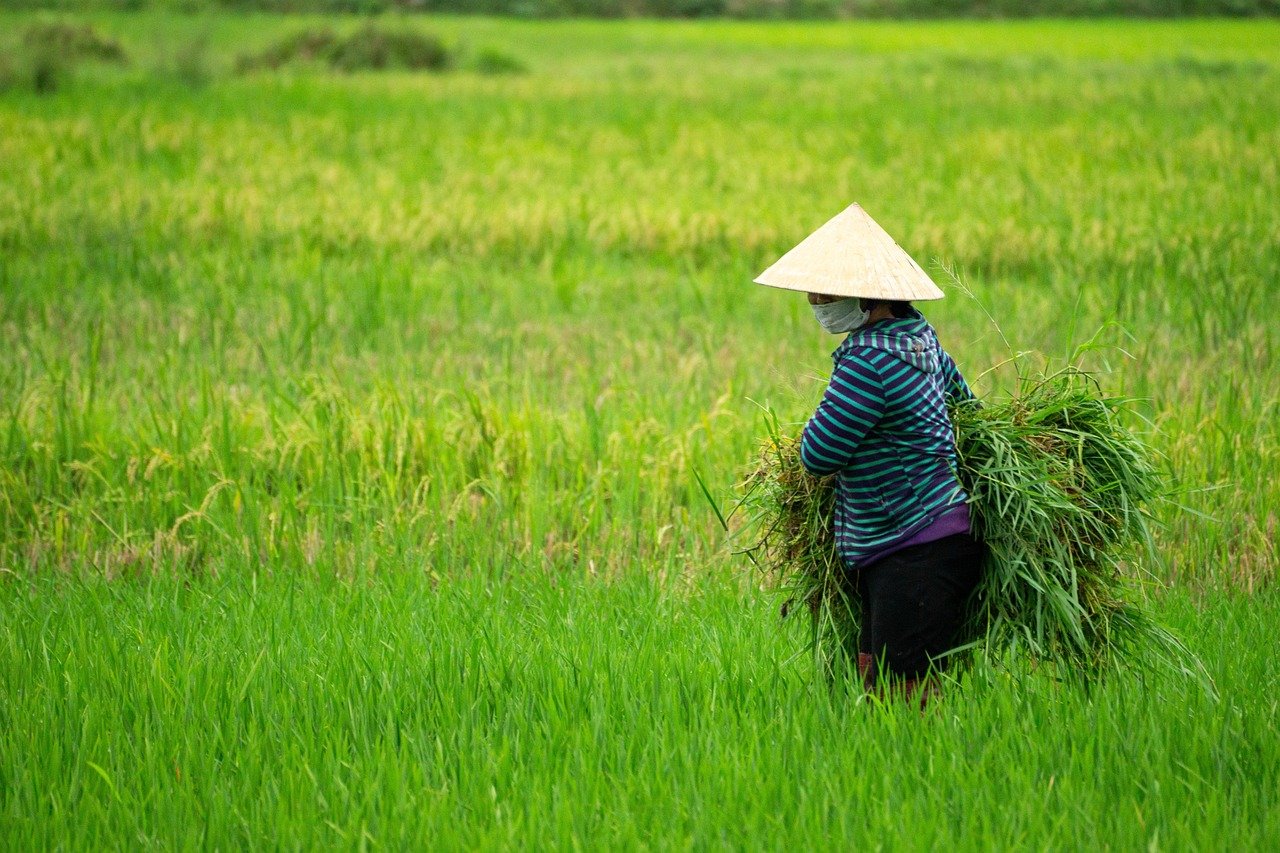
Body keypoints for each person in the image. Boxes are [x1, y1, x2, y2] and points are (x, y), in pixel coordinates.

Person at [753, 203, 983, 706]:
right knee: (876, 678)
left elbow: (818, 453)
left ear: (867, 295)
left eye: (825, 291)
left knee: (901, 695)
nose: (815, 301)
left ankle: (918, 774)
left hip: (913, 547)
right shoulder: (919, 337)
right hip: (920, 541)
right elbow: (968, 406)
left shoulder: (868, 361)